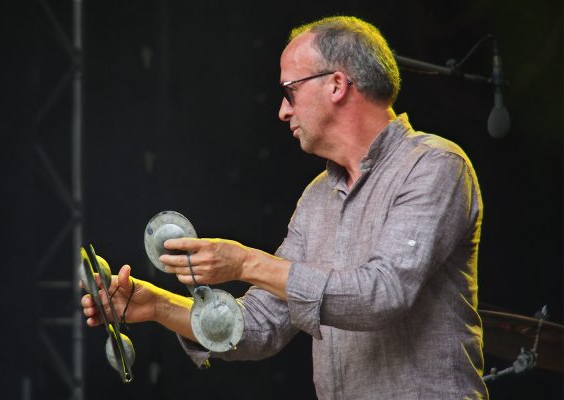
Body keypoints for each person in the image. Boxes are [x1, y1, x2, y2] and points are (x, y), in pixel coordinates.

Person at [82, 16, 487, 399]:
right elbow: (262, 326)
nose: (283, 110)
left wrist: (245, 263)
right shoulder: (316, 197)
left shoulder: (434, 166)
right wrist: (158, 306)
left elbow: (382, 294)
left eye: (290, 90)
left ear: (337, 85)